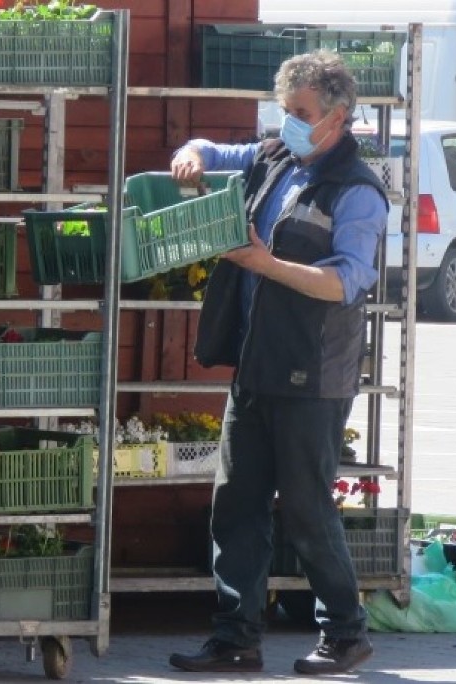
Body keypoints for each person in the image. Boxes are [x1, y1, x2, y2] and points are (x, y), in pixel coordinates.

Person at [167, 49, 389, 676]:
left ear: (339, 118)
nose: (289, 122)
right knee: (235, 504)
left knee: (306, 508)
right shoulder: (276, 157)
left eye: (301, 113)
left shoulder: (358, 192)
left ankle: (346, 634)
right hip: (256, 364)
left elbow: (346, 282)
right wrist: (195, 151)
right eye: (285, 110)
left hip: (313, 373)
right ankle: (236, 637)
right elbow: (214, 148)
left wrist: (267, 265)